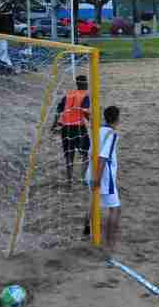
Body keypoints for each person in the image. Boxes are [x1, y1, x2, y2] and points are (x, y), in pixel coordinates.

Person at [85, 106, 121, 253]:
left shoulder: (98, 130)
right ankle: (109, 244)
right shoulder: (112, 134)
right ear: (117, 119)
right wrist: (98, 179)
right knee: (115, 209)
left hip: (90, 171)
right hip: (103, 176)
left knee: (94, 201)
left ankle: (87, 230)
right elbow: (103, 158)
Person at [52, 75, 90, 185]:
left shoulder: (68, 95)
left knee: (69, 155)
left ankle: (69, 180)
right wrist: (93, 122)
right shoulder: (85, 96)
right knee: (85, 154)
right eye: (86, 82)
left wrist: (55, 124)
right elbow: (85, 111)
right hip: (78, 128)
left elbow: (59, 109)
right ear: (85, 83)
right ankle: (84, 179)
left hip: (66, 128)